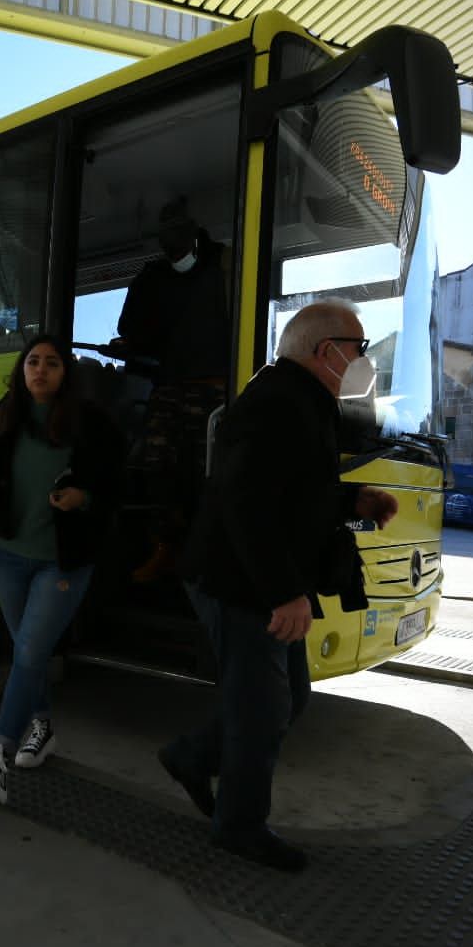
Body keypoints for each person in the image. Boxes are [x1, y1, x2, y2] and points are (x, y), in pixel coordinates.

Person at [158, 299, 398, 872]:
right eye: (360, 347)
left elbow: (294, 494)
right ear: (327, 352)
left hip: (253, 575)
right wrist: (282, 593)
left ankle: (191, 758)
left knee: (289, 697)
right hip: (239, 580)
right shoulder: (278, 404)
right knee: (263, 708)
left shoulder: (302, 401)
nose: (365, 359)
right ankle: (239, 825)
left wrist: (353, 501)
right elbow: (248, 506)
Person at [0, 334, 125, 805]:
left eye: (51, 363)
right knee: (27, 653)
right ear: (21, 370)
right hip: (10, 554)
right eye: (32, 362)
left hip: (63, 560)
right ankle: (43, 727)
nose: (40, 370)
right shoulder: (5, 414)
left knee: (30, 653)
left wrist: (86, 499)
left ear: (65, 373)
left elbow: (118, 486)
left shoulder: (91, 424)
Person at [112, 197, 232, 581]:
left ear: (195, 230)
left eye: (179, 231)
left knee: (207, 473)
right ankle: (166, 546)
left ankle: (204, 552)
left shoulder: (227, 266)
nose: (171, 241)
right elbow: (131, 331)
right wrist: (131, 346)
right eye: (165, 234)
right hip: (169, 385)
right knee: (156, 466)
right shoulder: (151, 278)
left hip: (217, 389)